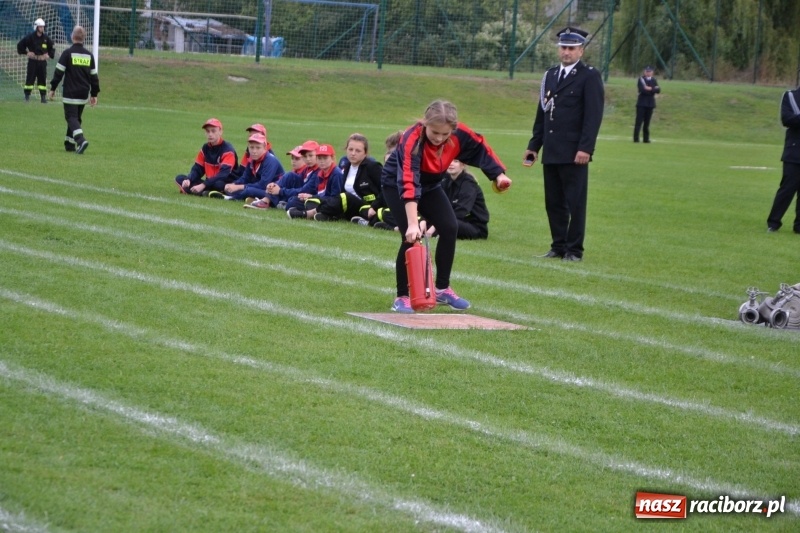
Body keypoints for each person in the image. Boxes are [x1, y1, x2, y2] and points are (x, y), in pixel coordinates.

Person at [382, 99, 511, 313]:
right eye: (435, 133)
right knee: (410, 236)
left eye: (445, 134)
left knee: (450, 227)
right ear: (425, 124)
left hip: (431, 184)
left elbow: (481, 148)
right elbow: (408, 181)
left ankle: (442, 289)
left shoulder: (460, 134)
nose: (440, 138)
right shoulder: (412, 139)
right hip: (397, 184)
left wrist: (498, 175)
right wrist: (414, 224)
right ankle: (402, 297)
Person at [524, 26, 604, 262]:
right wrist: (533, 145)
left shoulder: (589, 76)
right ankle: (558, 245)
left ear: (581, 50)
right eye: (563, 48)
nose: (566, 52)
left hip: (574, 151)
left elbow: (593, 116)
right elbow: (543, 113)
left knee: (575, 202)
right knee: (554, 202)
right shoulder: (550, 75)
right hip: (552, 149)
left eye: (571, 48)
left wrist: (586, 149)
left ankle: (574, 250)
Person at [48, 25, 99, 154]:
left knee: (71, 117)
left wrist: (53, 88)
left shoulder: (68, 53)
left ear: (72, 37)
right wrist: (94, 94)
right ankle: (69, 145)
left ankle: (81, 141)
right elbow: (94, 77)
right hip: (83, 93)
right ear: (84, 38)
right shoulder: (89, 56)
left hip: (70, 92)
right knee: (76, 119)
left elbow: (59, 72)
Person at [312, 133, 383, 222]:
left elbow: (385, 190)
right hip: (352, 208)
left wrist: (374, 206)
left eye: (358, 151)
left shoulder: (373, 167)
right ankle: (330, 216)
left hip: (369, 208)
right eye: (350, 149)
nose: (353, 153)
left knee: (345, 197)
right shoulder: (347, 167)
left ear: (365, 153)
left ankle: (310, 213)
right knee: (315, 200)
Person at [766, 82, 800, 234]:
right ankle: (773, 223)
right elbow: (787, 119)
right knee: (787, 189)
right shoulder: (790, 96)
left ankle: (799, 226)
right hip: (794, 151)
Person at [208, 133, 284, 201]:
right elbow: (245, 178)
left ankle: (229, 198)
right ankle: (251, 198)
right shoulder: (252, 159)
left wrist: (239, 187)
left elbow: (262, 185)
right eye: (251, 147)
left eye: (258, 148)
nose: (254, 151)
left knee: (248, 190)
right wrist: (234, 184)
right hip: (263, 189)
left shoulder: (270, 160)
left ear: (265, 147)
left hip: (274, 192)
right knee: (233, 188)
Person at [174, 118, 238, 195]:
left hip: (225, 183)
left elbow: (223, 175)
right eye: (208, 131)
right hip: (209, 182)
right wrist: (188, 179)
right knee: (180, 178)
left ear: (220, 132)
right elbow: (197, 169)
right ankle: (206, 192)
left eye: (213, 131)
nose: (210, 134)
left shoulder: (228, 149)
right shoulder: (205, 148)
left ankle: (201, 191)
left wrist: (203, 185)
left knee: (218, 184)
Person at [287, 144, 344, 220]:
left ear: (332, 158)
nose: (322, 161)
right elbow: (319, 194)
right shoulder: (320, 173)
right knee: (295, 200)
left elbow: (335, 199)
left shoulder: (336, 174)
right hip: (322, 200)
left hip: (332, 204)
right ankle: (321, 214)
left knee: (312, 203)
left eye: (325, 158)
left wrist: (312, 197)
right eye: (319, 158)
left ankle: (305, 214)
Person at [259, 140, 319, 209]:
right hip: (303, 195)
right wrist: (274, 185)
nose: (308, 159)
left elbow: (305, 190)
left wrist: (280, 191)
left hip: (313, 198)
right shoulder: (308, 168)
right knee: (290, 176)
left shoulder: (317, 171)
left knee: (292, 201)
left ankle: (270, 200)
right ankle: (267, 200)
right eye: (305, 156)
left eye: (311, 156)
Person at [442, 160, 489, 240]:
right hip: (454, 220)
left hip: (475, 227)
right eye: (449, 160)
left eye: (456, 161)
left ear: (463, 165)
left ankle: (437, 232)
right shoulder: (445, 179)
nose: (451, 164)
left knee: (447, 223)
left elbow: (461, 211)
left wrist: (436, 224)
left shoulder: (468, 184)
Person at [17, 18, 55, 103]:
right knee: (30, 79)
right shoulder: (30, 37)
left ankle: (43, 97)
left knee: (42, 79)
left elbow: (52, 49)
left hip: (42, 62)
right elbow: (20, 45)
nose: (42, 28)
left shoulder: (46, 38)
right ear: (36, 27)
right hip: (32, 62)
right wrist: (26, 52)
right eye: (40, 27)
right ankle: (27, 96)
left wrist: (48, 55)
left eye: (43, 27)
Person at [633, 66, 660, 143]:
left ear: (652, 72)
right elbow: (642, 90)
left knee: (647, 122)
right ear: (644, 72)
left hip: (650, 104)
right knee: (638, 122)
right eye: (647, 71)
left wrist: (650, 88)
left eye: (650, 71)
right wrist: (653, 89)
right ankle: (636, 138)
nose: (648, 73)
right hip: (641, 103)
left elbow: (658, 90)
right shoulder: (641, 79)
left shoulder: (654, 80)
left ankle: (646, 139)